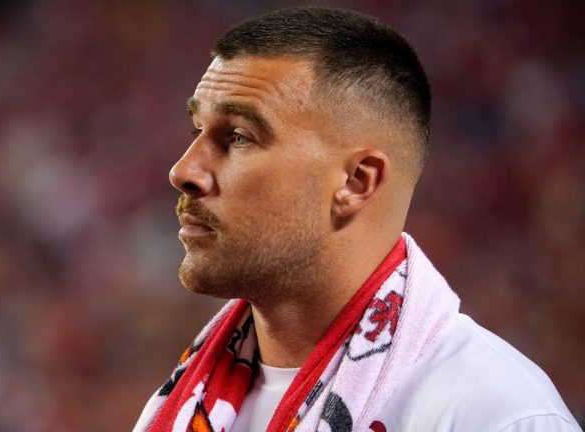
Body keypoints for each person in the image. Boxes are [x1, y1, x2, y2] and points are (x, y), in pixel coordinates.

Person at [134, 6, 581, 432]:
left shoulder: (492, 414)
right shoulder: (188, 397)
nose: (183, 171)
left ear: (356, 182)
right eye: (197, 131)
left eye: (238, 136)